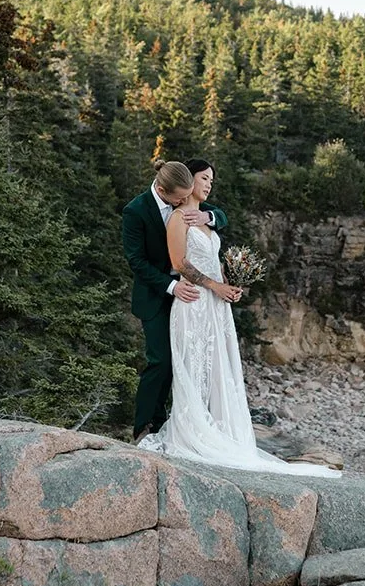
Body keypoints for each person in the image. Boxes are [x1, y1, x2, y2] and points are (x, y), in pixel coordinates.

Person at [140, 159, 340, 478]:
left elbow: (212, 256)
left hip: (217, 306)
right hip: (193, 303)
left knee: (219, 367)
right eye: (204, 178)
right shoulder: (178, 218)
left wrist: (231, 285)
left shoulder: (208, 218)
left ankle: (220, 431)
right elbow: (180, 263)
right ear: (188, 181)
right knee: (194, 366)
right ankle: (191, 432)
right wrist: (214, 285)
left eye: (212, 180)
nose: (209, 184)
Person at [121, 160, 228, 442]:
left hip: (192, 298)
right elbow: (137, 262)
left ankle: (182, 421)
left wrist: (208, 217)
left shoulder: (187, 198)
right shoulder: (136, 211)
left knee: (191, 360)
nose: (184, 201)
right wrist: (171, 286)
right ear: (161, 189)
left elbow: (220, 215)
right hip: (158, 294)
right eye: (179, 198)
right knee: (162, 360)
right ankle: (145, 426)